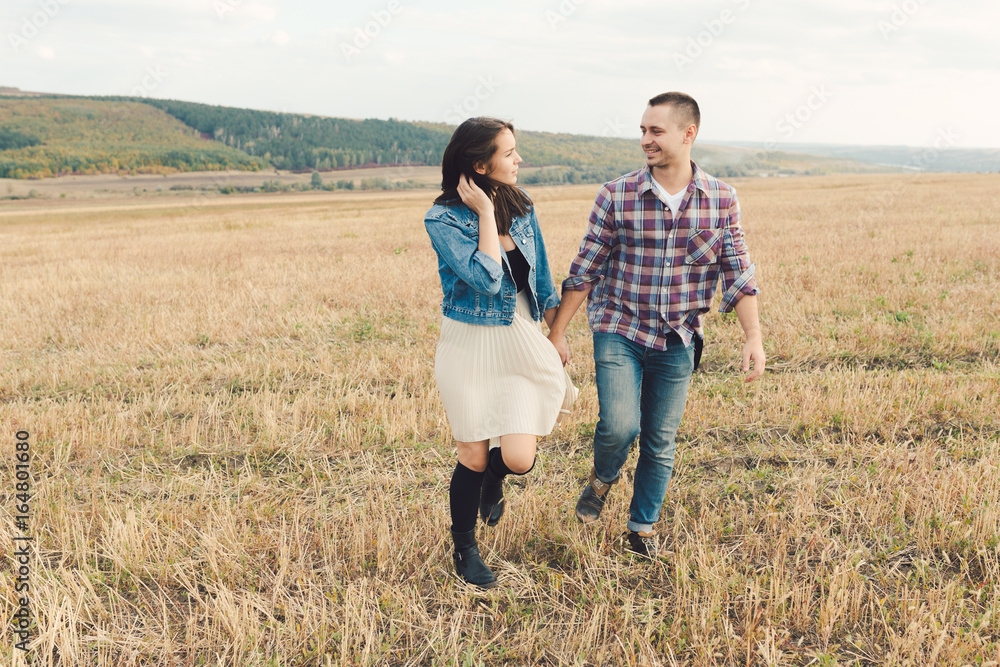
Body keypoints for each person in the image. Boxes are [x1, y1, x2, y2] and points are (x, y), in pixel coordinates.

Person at [547, 92, 766, 559]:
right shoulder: (616, 194)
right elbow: (585, 268)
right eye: (643, 130)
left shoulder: (722, 200)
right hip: (619, 327)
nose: (645, 139)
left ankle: (641, 529)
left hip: (678, 336)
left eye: (656, 131)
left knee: (660, 440)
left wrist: (753, 336)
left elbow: (738, 272)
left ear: (689, 134)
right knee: (620, 427)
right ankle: (603, 478)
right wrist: (558, 333)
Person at [424, 117, 574, 588]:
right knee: (471, 453)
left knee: (518, 458)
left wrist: (558, 330)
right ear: (480, 163)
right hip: (468, 345)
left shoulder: (523, 206)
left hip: (519, 341)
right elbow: (488, 279)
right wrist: (486, 215)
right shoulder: (442, 219)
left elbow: (543, 277)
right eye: (509, 153)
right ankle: (465, 548)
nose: (518, 160)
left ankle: (496, 480)